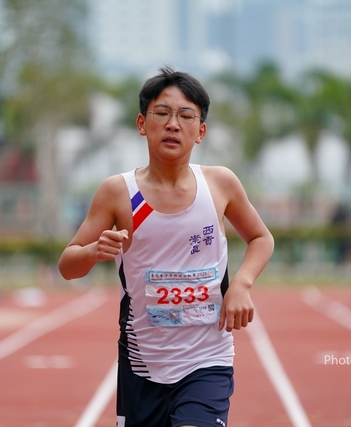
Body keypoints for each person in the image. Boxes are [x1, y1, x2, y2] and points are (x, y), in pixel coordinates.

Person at [58, 67, 274, 427]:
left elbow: (261, 237)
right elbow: (67, 265)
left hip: (207, 360)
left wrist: (242, 284)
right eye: (162, 113)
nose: (173, 124)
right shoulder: (118, 192)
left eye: (186, 116)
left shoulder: (219, 184)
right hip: (142, 364)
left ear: (200, 131)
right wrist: (94, 251)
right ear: (142, 124)